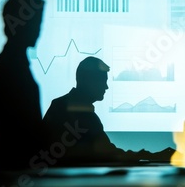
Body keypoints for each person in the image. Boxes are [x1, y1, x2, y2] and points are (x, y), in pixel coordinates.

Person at [42, 56, 174, 165]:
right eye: (102, 81)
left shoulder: (59, 105)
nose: (106, 87)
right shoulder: (84, 116)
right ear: (88, 81)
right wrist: (153, 156)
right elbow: (110, 154)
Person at [0, 0, 45, 170]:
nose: (38, 31)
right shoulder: (10, 67)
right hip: (15, 169)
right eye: (35, 24)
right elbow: (23, 132)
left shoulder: (9, 63)